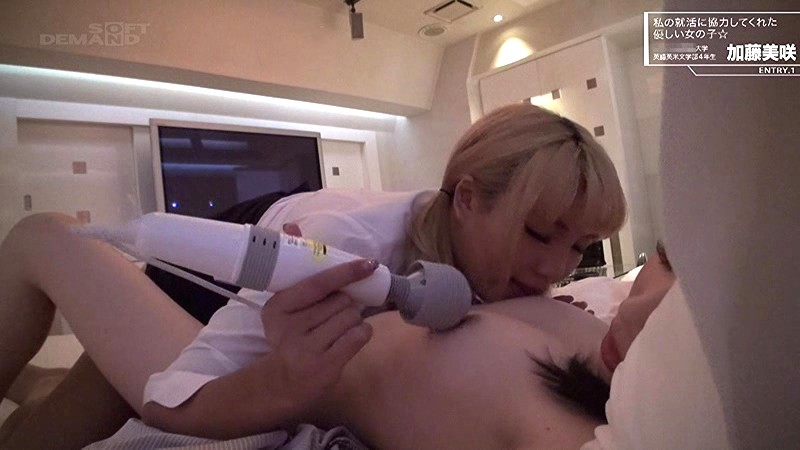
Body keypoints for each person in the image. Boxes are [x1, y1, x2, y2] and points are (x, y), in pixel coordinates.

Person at [0, 102, 627, 445]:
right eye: (538, 234)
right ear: (466, 199)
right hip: (207, 282)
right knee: (51, 425)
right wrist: (280, 382)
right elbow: (175, 396)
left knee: (59, 406)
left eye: (581, 246)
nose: (555, 268)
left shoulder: (500, 271)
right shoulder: (346, 245)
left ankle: (37, 385)